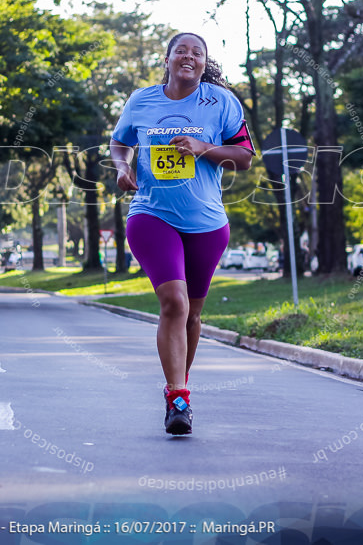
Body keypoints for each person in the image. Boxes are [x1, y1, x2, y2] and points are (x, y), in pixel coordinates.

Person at [109, 32, 255, 435]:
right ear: (168, 58)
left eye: (197, 53)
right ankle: (178, 399)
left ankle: (180, 386)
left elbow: (243, 157)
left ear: (204, 63)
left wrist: (203, 147)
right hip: (151, 214)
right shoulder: (142, 100)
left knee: (193, 313)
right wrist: (123, 169)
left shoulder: (221, 101)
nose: (189, 57)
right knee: (174, 303)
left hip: (207, 223)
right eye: (181, 51)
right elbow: (119, 143)